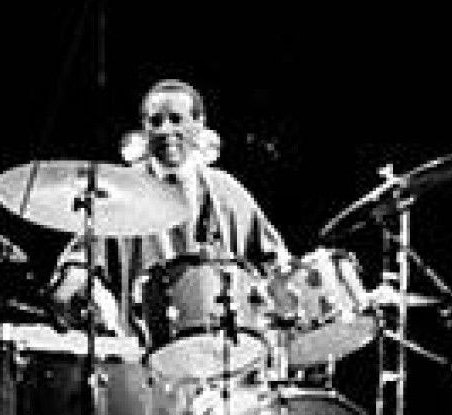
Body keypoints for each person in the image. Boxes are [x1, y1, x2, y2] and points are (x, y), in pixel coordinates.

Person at [48, 74, 290, 357]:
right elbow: (77, 264)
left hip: (224, 360)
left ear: (199, 125)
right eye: (155, 121)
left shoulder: (227, 192)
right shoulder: (122, 193)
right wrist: (80, 282)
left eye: (176, 119)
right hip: (141, 357)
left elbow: (277, 264)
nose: (165, 131)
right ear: (144, 129)